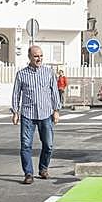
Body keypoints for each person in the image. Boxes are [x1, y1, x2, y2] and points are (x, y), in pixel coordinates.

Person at [11, 45, 61, 184]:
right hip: (28, 114)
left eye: (41, 56)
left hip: (46, 114)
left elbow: (54, 92)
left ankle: (43, 168)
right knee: (26, 145)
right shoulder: (21, 74)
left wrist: (56, 110)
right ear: (29, 57)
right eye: (36, 56)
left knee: (48, 145)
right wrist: (15, 112)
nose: (39, 59)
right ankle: (28, 173)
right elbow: (16, 94)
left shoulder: (48, 72)